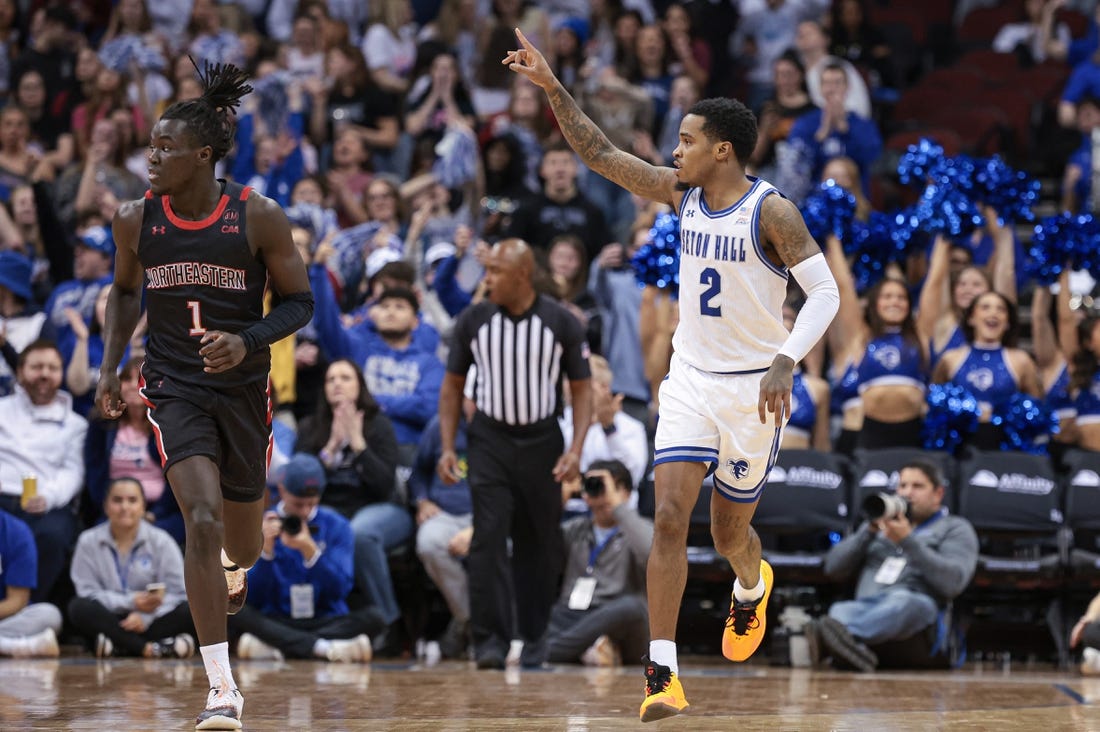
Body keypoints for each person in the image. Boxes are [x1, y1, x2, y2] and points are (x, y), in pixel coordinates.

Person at [505, 29, 839, 722]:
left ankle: (753, 586)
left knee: (727, 537)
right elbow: (599, 153)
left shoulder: (771, 211)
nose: (674, 149)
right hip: (690, 376)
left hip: (755, 388)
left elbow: (826, 294)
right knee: (666, 522)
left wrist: (785, 361)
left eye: (686, 140)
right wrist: (551, 87)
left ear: (722, 148)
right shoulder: (679, 193)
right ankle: (662, 675)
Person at [95, 61, 313, 730]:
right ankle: (222, 689)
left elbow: (299, 303)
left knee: (240, 547)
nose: (151, 157)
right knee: (201, 516)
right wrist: (109, 370)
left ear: (204, 155)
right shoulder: (137, 219)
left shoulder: (258, 216)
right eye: (151, 145)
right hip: (173, 385)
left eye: (165, 148)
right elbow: (128, 291)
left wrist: (248, 342)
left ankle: (231, 567)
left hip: (244, 389)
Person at [436, 237, 593, 671]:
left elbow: (582, 391)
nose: (487, 280)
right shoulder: (474, 321)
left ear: (522, 275)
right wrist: (449, 446)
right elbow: (451, 388)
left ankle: (535, 637)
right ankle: (489, 641)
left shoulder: (561, 323)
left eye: (495, 272)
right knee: (487, 537)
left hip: (543, 442)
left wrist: (577, 448)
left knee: (539, 544)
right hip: (489, 440)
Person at [810, 460, 978, 672]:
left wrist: (908, 541)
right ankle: (851, 645)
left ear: (938, 494)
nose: (907, 493)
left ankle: (835, 635)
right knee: (840, 608)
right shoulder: (878, 526)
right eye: (902, 486)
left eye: (917, 486)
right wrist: (868, 530)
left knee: (906, 603)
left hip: (915, 627)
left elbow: (953, 583)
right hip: (866, 609)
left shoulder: (955, 528)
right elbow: (833, 569)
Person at [230, 453, 381, 663]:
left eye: (312, 503)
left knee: (376, 617)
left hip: (325, 618)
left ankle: (281, 647)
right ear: (282, 490)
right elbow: (251, 596)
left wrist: (312, 552)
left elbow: (341, 590)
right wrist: (266, 552)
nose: (305, 511)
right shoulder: (261, 524)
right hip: (278, 618)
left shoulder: (338, 526)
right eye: (298, 504)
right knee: (235, 609)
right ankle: (323, 648)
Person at [532, 458, 653, 668]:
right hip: (573, 614)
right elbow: (536, 550)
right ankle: (593, 648)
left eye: (608, 487)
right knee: (536, 606)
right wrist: (559, 499)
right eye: (594, 487)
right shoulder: (575, 529)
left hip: (616, 617)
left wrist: (617, 506)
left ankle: (547, 652)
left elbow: (651, 554)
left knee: (631, 608)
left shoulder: (637, 527)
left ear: (625, 492)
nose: (600, 494)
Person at [0, 340, 88, 604]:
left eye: (52, 367)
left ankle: (23, 611)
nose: (45, 374)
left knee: (54, 536)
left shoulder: (76, 424)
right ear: (20, 371)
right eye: (37, 367)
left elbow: (73, 473)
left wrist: (48, 497)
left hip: (45, 505)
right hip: (2, 499)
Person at [67, 477, 195, 659]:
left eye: (132, 500)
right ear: (106, 506)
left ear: (143, 507)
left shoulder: (162, 540)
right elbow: (87, 592)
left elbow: (179, 592)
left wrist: (145, 617)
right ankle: (150, 648)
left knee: (190, 609)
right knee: (78, 608)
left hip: (153, 618)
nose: (125, 507)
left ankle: (118, 645)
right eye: (117, 500)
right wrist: (131, 602)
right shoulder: (87, 541)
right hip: (110, 617)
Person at [0, 506, 62, 658]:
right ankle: (12, 646)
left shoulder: (16, 532)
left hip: (5, 619)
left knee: (49, 615)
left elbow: (17, 600)